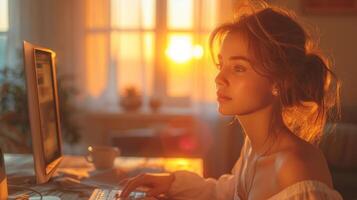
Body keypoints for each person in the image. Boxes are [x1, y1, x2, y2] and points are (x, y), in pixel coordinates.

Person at [119, 2, 343, 200]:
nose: (219, 79)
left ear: (279, 82)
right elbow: (223, 194)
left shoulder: (294, 169)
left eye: (238, 68)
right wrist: (170, 183)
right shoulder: (254, 149)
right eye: (221, 65)